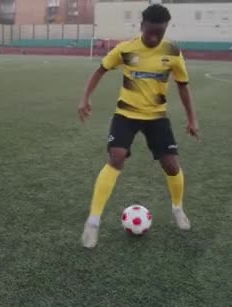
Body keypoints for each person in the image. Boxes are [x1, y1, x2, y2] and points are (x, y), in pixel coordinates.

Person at [78, 4, 199, 249]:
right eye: (151, 31)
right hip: (126, 113)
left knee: (171, 164)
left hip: (157, 116)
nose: (155, 37)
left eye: (160, 32)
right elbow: (100, 70)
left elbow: (183, 86)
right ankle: (93, 221)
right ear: (142, 26)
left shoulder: (172, 52)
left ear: (165, 29)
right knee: (117, 157)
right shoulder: (126, 49)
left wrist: (192, 118)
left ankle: (177, 208)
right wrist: (85, 98)